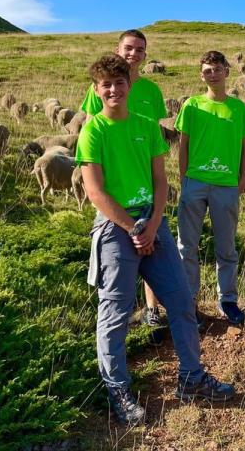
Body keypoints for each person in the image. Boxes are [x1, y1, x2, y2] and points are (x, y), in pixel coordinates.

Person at [77, 54, 234, 426]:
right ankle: (117, 388)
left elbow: (161, 181)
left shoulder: (146, 126)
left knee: (181, 300)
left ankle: (192, 378)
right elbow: (95, 191)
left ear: (129, 86)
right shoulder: (93, 130)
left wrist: (153, 223)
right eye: (106, 85)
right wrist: (134, 229)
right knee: (115, 312)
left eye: (119, 83)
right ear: (97, 91)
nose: (114, 89)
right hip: (115, 226)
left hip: (153, 220)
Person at [80, 29, 167, 328]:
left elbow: (152, 136)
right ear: (118, 49)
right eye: (128, 48)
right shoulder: (100, 87)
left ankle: (152, 309)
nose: (133, 54)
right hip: (112, 189)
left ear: (145, 55)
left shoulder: (152, 92)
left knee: (152, 249)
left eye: (139, 50)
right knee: (120, 262)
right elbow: (92, 125)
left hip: (143, 184)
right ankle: (118, 318)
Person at [174, 51, 245, 325]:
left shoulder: (238, 108)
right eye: (207, 70)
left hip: (226, 185)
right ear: (201, 74)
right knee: (187, 245)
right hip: (194, 183)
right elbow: (182, 144)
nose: (212, 74)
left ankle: (227, 300)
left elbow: (244, 147)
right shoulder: (192, 106)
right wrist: (184, 178)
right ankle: (189, 301)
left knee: (226, 246)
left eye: (217, 69)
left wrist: (243, 177)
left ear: (227, 71)